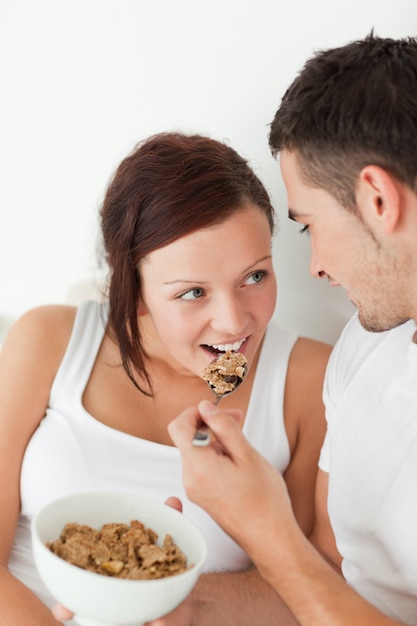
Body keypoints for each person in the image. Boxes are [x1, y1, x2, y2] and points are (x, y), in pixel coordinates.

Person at [0, 131, 331, 625]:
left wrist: (191, 601)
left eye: (255, 276)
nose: (235, 322)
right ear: (133, 293)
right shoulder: (48, 340)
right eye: (193, 292)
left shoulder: (308, 379)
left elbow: (313, 583)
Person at [169, 33, 417, 626]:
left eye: (308, 226)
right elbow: (333, 572)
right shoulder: (365, 345)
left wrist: (264, 527)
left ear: (378, 200)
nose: (316, 269)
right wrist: (176, 603)